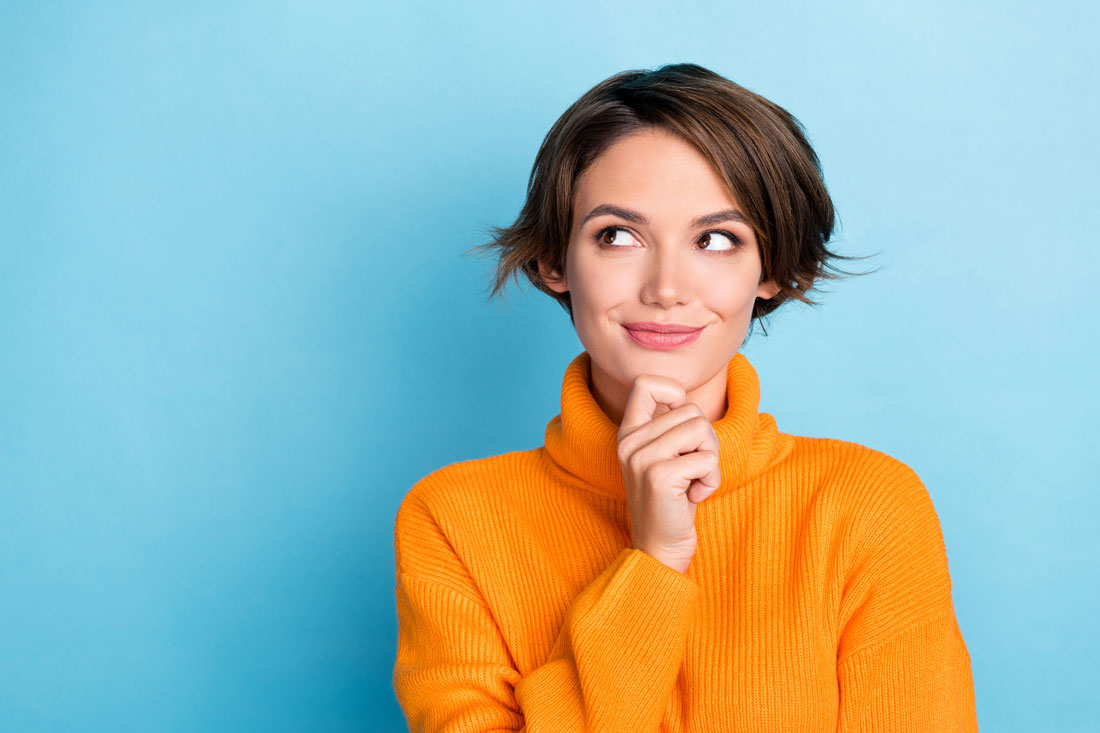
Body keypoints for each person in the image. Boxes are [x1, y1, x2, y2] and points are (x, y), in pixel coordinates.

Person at [392, 63, 978, 731]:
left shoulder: (867, 505)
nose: (666, 285)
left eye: (716, 239)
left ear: (773, 271)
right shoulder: (452, 520)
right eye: (617, 235)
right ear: (555, 259)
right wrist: (652, 563)